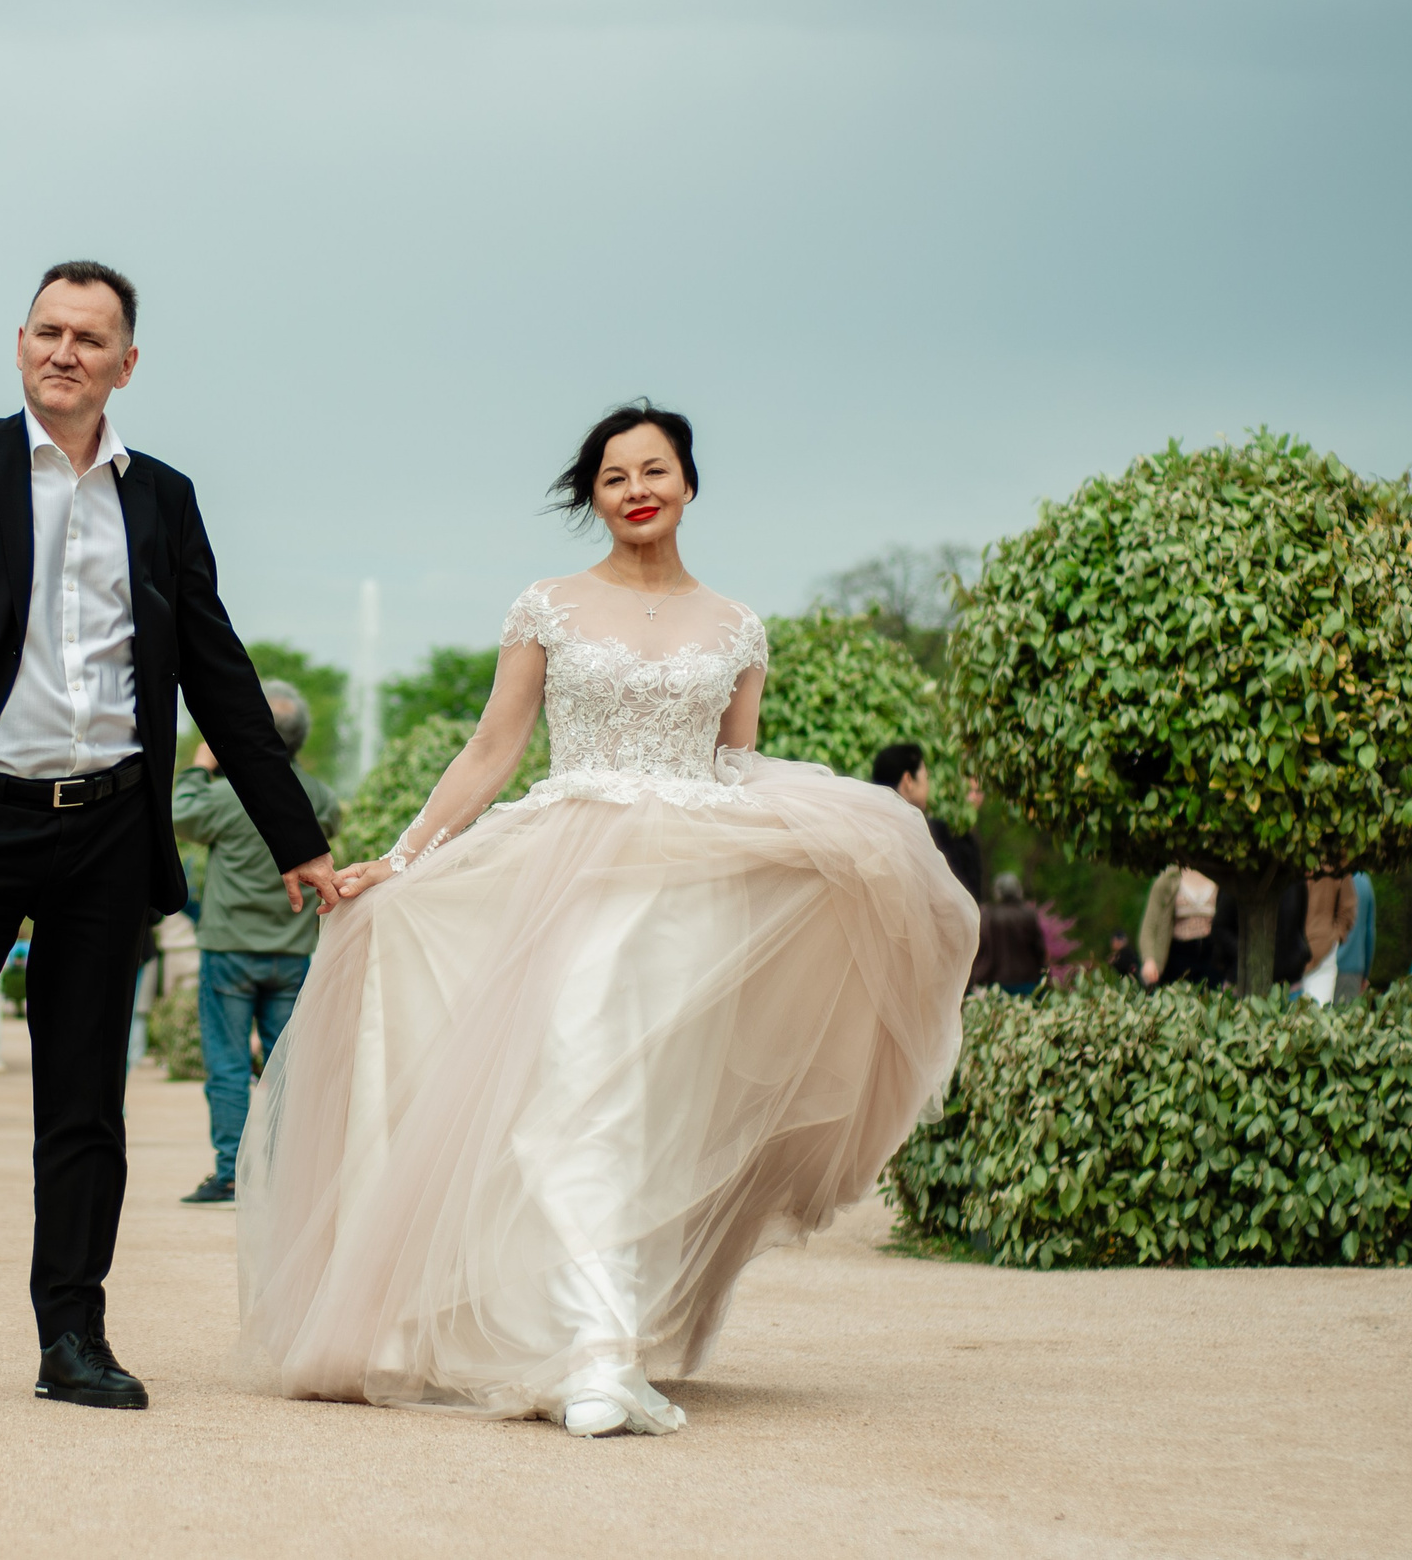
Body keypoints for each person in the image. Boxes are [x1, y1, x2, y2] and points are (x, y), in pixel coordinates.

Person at [241, 403, 975, 1440]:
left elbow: (732, 762)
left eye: (654, 470)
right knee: (574, 1088)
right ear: (592, 495)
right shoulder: (546, 606)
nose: (636, 489)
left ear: (688, 484)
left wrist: (821, 841)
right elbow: (493, 750)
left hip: (695, 889)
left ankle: (605, 1341)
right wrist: (404, 860)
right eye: (614, 476)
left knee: (654, 1112)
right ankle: (590, 1354)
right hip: (569, 869)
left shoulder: (737, 626)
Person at [0, 261, 338, 1421]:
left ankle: (72, 1337)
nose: (64, 351)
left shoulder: (161, 497)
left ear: (126, 363)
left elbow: (218, 673)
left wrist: (296, 836)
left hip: (107, 831)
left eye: (89, 337)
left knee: (85, 1103)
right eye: (48, 330)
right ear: (20, 342)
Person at [172, 680, 343, 1206]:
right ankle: (285, 1171)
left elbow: (180, 813)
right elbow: (330, 825)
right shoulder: (319, 796)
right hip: (291, 951)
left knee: (227, 1065)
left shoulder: (228, 796)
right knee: (286, 1065)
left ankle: (231, 1173)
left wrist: (202, 765)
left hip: (229, 947)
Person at [871, 744, 983, 898]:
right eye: (926, 776)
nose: (928, 785)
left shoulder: (868, 830)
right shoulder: (933, 833)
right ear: (908, 780)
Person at [1139, 865, 1225, 988]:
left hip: (1211, 953)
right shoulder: (1168, 878)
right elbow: (1150, 925)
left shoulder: (1220, 875)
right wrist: (1149, 959)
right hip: (1179, 953)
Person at [971, 873, 1048, 995]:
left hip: (996, 981)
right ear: (1018, 890)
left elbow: (981, 949)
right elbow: (1039, 950)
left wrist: (979, 976)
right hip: (1027, 980)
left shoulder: (989, 916)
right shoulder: (1028, 915)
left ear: (998, 892)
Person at [1299, 872, 1356, 1004]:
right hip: (1318, 946)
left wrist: (1335, 935)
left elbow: (1348, 908)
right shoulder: (1337, 864)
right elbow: (1348, 907)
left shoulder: (1337, 865)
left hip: (1321, 951)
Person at [1337, 872, 1375, 1005]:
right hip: (1352, 968)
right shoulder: (1364, 881)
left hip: (1321, 964)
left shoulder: (1324, 876)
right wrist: (1365, 974)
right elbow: (1369, 932)